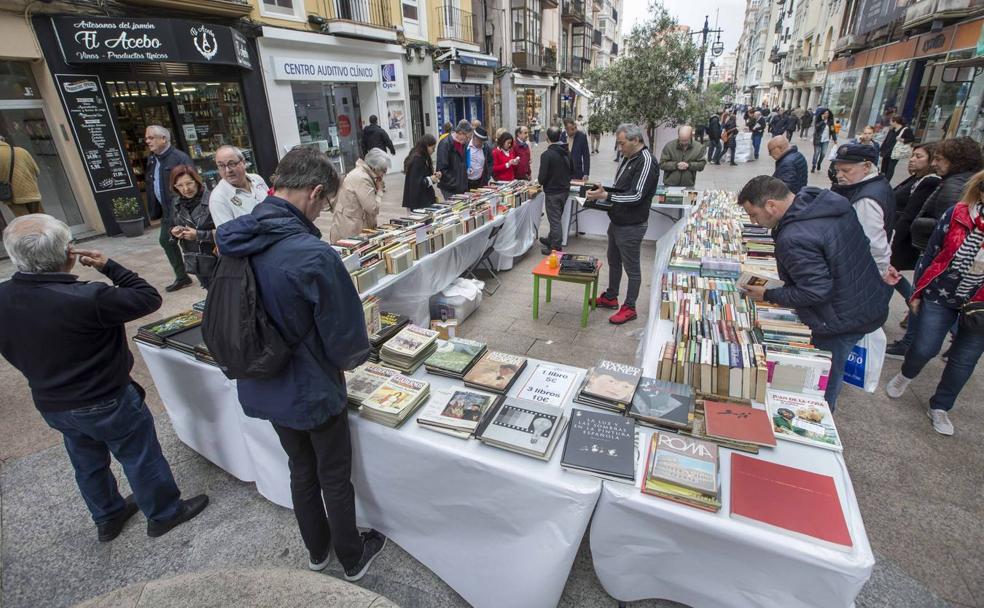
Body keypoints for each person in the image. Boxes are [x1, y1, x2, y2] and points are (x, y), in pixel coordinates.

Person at [217, 147, 387, 579]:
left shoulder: (237, 238)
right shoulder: (314, 255)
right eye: (326, 202)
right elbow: (347, 342)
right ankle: (351, 557)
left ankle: (317, 551)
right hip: (310, 387)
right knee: (333, 473)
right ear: (314, 192)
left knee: (299, 466)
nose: (323, 210)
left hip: (261, 379)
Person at [0, 215, 208, 541]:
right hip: (105, 397)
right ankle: (165, 513)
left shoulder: (5, 296)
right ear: (68, 254)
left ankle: (107, 516)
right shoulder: (87, 298)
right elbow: (148, 297)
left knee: (86, 462)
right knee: (139, 455)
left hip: (52, 401)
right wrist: (111, 266)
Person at [736, 176, 892, 409]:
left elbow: (815, 291)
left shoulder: (794, 237)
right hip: (864, 300)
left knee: (823, 379)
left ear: (771, 205)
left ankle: (820, 414)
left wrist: (768, 295)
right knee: (831, 369)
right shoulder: (822, 203)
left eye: (754, 214)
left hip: (840, 319)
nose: (753, 221)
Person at [885, 170, 984, 435]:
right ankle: (906, 374)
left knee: (964, 360)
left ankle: (940, 407)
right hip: (941, 292)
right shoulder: (958, 213)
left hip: (980, 304)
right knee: (924, 347)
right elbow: (931, 253)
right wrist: (917, 292)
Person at [586, 123, 660, 325]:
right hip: (618, 221)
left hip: (632, 225)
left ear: (636, 140)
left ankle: (630, 307)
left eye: (621, 143)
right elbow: (621, 188)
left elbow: (636, 196)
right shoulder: (629, 158)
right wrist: (604, 192)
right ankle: (611, 297)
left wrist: (607, 195)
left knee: (632, 268)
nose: (619, 148)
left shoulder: (646, 161)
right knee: (614, 261)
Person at [885, 143, 941, 358]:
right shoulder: (918, 179)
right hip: (901, 237)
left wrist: (892, 240)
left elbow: (910, 215)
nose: (912, 159)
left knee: (891, 275)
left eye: (919, 156)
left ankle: (920, 321)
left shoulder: (928, 181)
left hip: (902, 239)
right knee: (893, 276)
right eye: (912, 155)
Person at [830, 144, 897, 279]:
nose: (839, 175)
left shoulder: (866, 200)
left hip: (858, 272)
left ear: (866, 167)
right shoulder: (877, 183)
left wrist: (879, 274)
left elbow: (874, 245)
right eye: (837, 170)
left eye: (846, 170)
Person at [910, 137, 984, 253]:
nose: (933, 163)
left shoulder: (953, 185)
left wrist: (918, 223)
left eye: (938, 159)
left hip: (939, 252)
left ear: (955, 161)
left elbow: (948, 225)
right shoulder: (967, 180)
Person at [144, 125, 193, 292]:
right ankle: (182, 276)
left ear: (163, 139)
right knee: (166, 240)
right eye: (147, 138)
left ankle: (208, 271)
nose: (147, 141)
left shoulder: (179, 158)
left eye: (151, 137)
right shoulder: (152, 160)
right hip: (167, 211)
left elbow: (193, 183)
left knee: (192, 242)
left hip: (182, 210)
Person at [168, 165, 217, 289]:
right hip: (196, 260)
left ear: (197, 181)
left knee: (225, 294)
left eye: (189, 183)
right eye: (179, 186)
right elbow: (173, 224)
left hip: (216, 257)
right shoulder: (176, 202)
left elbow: (227, 231)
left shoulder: (213, 199)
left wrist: (198, 235)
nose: (185, 189)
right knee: (211, 294)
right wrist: (174, 232)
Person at [329, 148, 390, 242]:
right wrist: (380, 191)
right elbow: (373, 208)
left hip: (350, 222)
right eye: (384, 171)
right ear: (374, 168)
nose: (384, 175)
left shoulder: (362, 173)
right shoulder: (362, 178)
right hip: (350, 227)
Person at [208, 145, 269, 228]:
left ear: (243, 162)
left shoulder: (257, 179)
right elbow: (229, 236)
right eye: (221, 166)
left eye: (231, 164)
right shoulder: (218, 198)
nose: (228, 170)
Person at [537, 126, 572, 255]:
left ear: (547, 137)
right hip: (564, 190)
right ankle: (551, 239)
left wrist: (543, 182)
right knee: (556, 217)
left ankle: (556, 246)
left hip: (553, 192)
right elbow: (572, 170)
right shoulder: (566, 151)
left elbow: (542, 178)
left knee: (554, 219)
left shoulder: (547, 155)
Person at [0, 136, 43, 216]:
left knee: (26, 221)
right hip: (31, 192)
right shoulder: (22, 151)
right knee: (42, 218)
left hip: (12, 196)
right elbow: (37, 171)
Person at [402, 134, 441, 211]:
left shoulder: (424, 157)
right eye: (432, 148)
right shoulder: (417, 159)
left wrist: (434, 176)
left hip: (423, 199)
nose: (434, 150)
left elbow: (423, 176)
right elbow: (416, 183)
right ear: (426, 146)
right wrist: (431, 179)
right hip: (418, 202)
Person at [879, 116, 913, 181]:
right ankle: (882, 179)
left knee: (890, 168)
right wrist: (882, 149)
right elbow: (886, 140)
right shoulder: (892, 129)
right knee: (884, 166)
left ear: (895, 122)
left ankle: (886, 181)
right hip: (887, 151)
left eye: (891, 121)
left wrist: (901, 139)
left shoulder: (905, 130)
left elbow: (911, 139)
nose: (890, 122)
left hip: (896, 152)